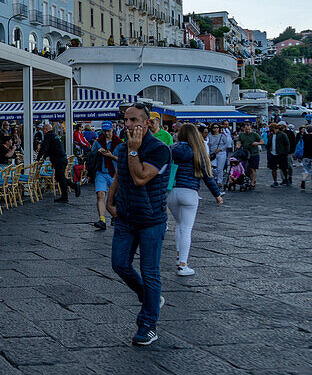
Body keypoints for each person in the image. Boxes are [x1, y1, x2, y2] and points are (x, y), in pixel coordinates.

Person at [105, 103, 171, 346]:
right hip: (126, 217)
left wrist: (134, 151)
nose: (129, 124)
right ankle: (150, 298)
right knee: (119, 264)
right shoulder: (123, 148)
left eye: (134, 120)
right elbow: (120, 175)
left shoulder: (159, 150)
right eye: (126, 120)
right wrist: (110, 200)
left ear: (147, 123)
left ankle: (148, 325)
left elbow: (140, 177)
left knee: (150, 271)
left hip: (151, 220)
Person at [168, 123, 224, 276]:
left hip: (172, 191)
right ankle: (183, 265)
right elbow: (208, 176)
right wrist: (217, 195)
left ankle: (179, 255)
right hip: (190, 192)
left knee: (178, 225)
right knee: (186, 228)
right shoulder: (198, 151)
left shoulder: (172, 149)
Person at [89, 122, 121, 230]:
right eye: (105, 131)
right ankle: (102, 220)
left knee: (115, 196)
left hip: (114, 173)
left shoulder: (119, 143)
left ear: (112, 129)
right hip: (101, 172)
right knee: (100, 195)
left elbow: (123, 159)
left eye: (108, 131)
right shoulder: (98, 142)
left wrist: (111, 156)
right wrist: (97, 152)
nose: (106, 133)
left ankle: (115, 216)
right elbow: (91, 157)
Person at [39, 122, 78, 202]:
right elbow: (50, 149)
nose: (42, 131)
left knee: (61, 178)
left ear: (46, 130)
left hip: (58, 159)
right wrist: (44, 156)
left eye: (43, 129)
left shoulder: (48, 136)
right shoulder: (54, 135)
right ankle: (67, 193)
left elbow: (44, 148)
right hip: (62, 158)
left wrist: (39, 157)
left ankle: (69, 192)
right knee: (59, 178)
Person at [235, 121, 264, 188]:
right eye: (246, 129)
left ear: (250, 128)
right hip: (245, 154)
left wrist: (257, 143)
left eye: (248, 129)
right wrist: (238, 145)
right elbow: (239, 141)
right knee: (246, 168)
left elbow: (262, 142)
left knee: (252, 168)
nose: (247, 130)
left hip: (254, 153)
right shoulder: (242, 134)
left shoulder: (255, 134)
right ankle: (248, 179)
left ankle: (252, 182)